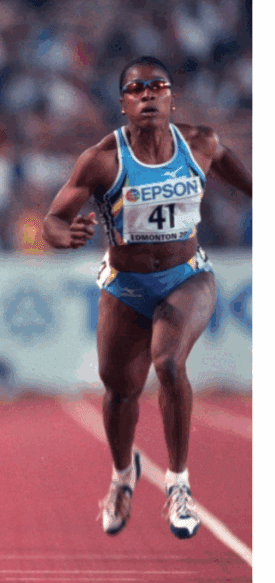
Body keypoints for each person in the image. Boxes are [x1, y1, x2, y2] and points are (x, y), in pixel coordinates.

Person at [43, 56, 251, 539]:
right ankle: (122, 477)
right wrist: (63, 235)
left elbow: (229, 166)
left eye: (158, 87)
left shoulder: (200, 143)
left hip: (188, 278)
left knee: (169, 363)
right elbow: (54, 218)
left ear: (172, 98)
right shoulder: (103, 159)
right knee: (119, 391)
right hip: (125, 287)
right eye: (137, 90)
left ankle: (179, 483)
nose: (149, 95)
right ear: (123, 105)